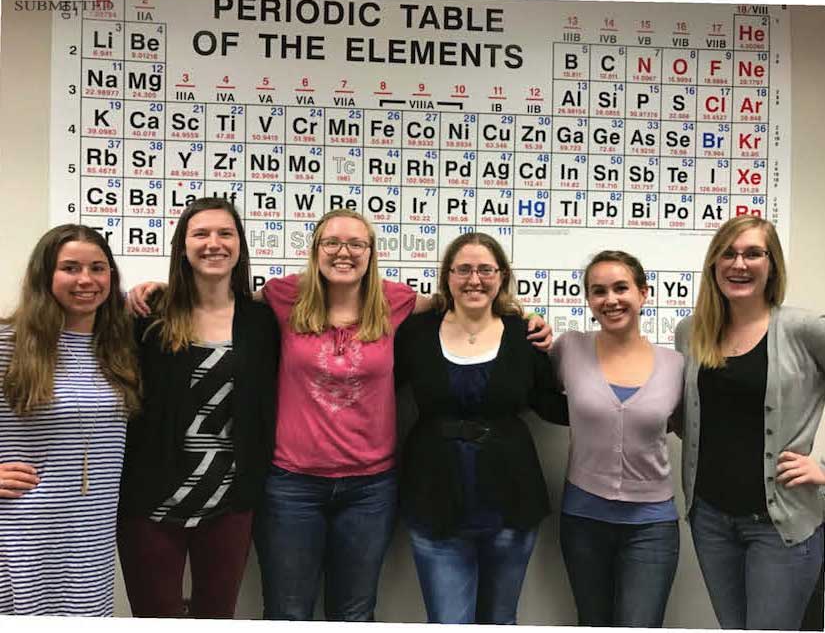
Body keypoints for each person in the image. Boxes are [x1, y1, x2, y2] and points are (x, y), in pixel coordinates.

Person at [126, 208, 553, 621]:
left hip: (370, 487)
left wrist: (525, 317)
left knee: (353, 613)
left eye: (356, 244)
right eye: (331, 242)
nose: (343, 252)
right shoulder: (283, 296)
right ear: (315, 250)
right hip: (292, 485)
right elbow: (219, 296)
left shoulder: (395, 300)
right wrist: (160, 291)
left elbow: (462, 300)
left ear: (370, 253)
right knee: (288, 612)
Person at [117, 197, 279, 618]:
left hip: (229, 500)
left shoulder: (262, 321)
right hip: (151, 500)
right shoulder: (149, 312)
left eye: (225, 233)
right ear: (182, 245)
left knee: (216, 618)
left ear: (240, 245)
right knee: (155, 619)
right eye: (201, 233)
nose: (214, 243)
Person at [393, 232, 567, 624]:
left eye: (486, 269)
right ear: (447, 276)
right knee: (447, 622)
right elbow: (375, 388)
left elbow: (549, 404)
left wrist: (612, 394)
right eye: (464, 269)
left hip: (510, 498)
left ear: (502, 276)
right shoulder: (415, 333)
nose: (475, 279)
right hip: (433, 496)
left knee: (500, 621)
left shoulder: (526, 334)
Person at [674, 215, 825, 630]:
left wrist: (823, 470)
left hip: (779, 525)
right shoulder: (690, 332)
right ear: (714, 264)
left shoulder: (803, 329)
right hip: (709, 519)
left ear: (771, 265)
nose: (739, 263)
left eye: (753, 253)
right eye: (728, 253)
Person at [0, 224, 140, 616]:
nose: (86, 280)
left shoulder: (118, 348)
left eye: (98, 268)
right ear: (45, 275)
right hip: (21, 532)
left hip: (89, 538)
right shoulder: (8, 344)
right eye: (70, 268)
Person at [550, 250, 683, 627]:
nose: (610, 300)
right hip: (583, 520)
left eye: (621, 288)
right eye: (599, 291)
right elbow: (528, 388)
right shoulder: (569, 348)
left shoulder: (675, 364)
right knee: (592, 623)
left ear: (643, 293)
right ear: (589, 301)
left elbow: (690, 425)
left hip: (652, 526)